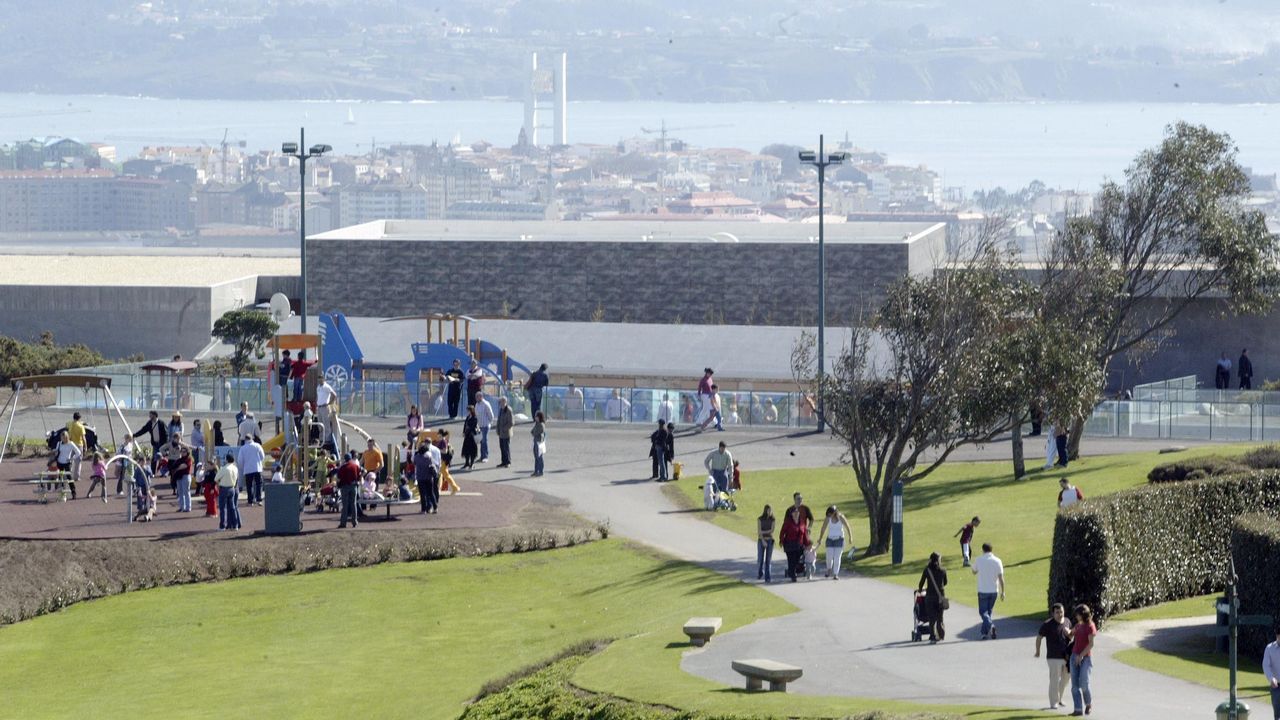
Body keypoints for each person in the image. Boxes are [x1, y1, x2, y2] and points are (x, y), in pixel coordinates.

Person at [1035, 603, 1073, 710]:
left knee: (1066, 679)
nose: (1060, 614)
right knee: (1054, 680)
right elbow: (1039, 637)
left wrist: (1069, 633)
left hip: (1066, 656)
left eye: (1061, 611)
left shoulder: (1067, 621)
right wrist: (1038, 651)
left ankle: (1060, 698)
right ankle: (1053, 702)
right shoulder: (1047, 624)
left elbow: (1071, 637)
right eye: (1057, 612)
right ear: (1053, 613)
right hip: (1053, 657)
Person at [1066, 604, 1097, 716]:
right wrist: (1067, 631)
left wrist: (1081, 656)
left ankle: (1088, 703)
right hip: (1074, 655)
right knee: (1074, 685)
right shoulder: (1078, 625)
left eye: (1078, 614)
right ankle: (1078, 709)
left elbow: (1091, 644)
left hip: (1086, 658)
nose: (1076, 616)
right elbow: (1071, 633)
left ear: (1083, 614)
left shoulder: (1090, 626)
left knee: (1084, 683)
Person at [971, 543, 1006, 639]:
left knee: (983, 612)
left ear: (983, 550)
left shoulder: (979, 559)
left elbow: (973, 571)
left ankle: (991, 626)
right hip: (994, 590)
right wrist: (1003, 592)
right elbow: (1001, 578)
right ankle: (984, 633)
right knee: (988, 612)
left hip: (983, 590)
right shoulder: (997, 561)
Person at [916, 552, 948, 643]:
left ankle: (932, 636)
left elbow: (921, 582)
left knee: (931, 618)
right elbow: (945, 582)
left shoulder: (927, 570)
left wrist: (920, 589)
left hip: (930, 596)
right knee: (940, 617)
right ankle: (940, 634)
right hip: (940, 596)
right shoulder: (943, 570)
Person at [817, 505, 853, 579]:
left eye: (831, 514)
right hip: (830, 539)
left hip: (839, 539)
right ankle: (829, 569)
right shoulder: (828, 519)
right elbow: (823, 528)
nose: (830, 516)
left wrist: (850, 537)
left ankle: (835, 574)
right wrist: (820, 538)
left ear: (835, 512)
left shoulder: (841, 517)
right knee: (829, 557)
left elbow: (847, 526)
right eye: (829, 514)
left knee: (837, 557)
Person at [779, 506, 808, 582]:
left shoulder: (802, 522)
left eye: (797, 512)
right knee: (791, 560)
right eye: (794, 512)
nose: (796, 514)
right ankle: (793, 575)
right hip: (790, 544)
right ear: (791, 514)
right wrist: (781, 541)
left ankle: (792, 571)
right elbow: (782, 532)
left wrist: (807, 544)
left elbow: (804, 534)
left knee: (797, 560)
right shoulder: (788, 522)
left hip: (799, 545)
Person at [335, 452, 362, 528]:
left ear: (345, 459)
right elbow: (359, 475)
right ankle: (354, 521)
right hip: (354, 486)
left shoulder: (342, 467)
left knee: (345, 505)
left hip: (345, 487)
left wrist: (338, 485)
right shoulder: (356, 466)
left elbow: (338, 478)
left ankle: (343, 523)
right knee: (353, 504)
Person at [237, 435, 266, 506]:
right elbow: (262, 456)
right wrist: (259, 462)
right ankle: (259, 499)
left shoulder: (243, 448)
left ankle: (250, 501)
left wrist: (242, 467)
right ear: (252, 438)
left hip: (248, 469)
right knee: (258, 484)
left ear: (245, 439)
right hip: (257, 468)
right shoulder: (257, 445)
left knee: (249, 485)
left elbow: (240, 460)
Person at [216, 453, 240, 530]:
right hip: (232, 488)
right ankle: (235, 525)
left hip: (224, 488)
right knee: (232, 507)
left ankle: (222, 525)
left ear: (226, 459)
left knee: (222, 508)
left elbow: (216, 478)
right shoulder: (235, 468)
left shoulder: (224, 468)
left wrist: (219, 483)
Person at [413, 444, 440, 513]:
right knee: (431, 493)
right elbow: (432, 464)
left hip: (420, 477)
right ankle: (435, 507)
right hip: (428, 477)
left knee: (422, 494)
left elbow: (414, 463)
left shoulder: (416, 457)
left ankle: (423, 509)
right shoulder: (428, 457)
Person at [1262, 626, 1280, 720]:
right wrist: (1271, 678)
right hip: (1276, 686)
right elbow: (1266, 665)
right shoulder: (1269, 648)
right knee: (1278, 715)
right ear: (1277, 635)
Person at [65, 411, 87, 487]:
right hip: (79, 444)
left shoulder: (70, 424)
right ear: (79, 418)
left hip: (71, 444)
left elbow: (66, 424)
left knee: (69, 460)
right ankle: (76, 477)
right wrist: (85, 447)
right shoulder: (81, 426)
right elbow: (83, 438)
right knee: (78, 462)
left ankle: (67, 475)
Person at [171, 447, 193, 512]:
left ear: (187, 452)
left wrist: (177, 468)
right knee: (180, 493)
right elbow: (173, 466)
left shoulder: (189, 459)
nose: (183, 453)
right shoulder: (179, 460)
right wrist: (177, 467)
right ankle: (182, 507)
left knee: (186, 492)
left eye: (184, 452)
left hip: (186, 476)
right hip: (179, 477)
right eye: (182, 452)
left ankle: (188, 507)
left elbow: (184, 466)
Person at [757, 505, 775, 583]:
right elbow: (759, 532)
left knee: (768, 560)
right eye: (768, 510)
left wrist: (763, 532)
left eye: (770, 510)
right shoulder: (760, 519)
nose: (769, 512)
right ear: (765, 510)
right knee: (760, 559)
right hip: (761, 540)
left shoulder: (773, 519)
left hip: (770, 540)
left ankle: (768, 577)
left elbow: (772, 530)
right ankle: (760, 572)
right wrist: (763, 540)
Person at [475, 391, 494, 462]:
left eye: (477, 397)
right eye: (476, 397)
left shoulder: (486, 404)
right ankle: (482, 456)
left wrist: (490, 422)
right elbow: (476, 415)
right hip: (480, 426)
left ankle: (485, 456)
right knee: (481, 441)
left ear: (481, 397)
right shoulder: (477, 404)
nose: (476, 398)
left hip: (485, 425)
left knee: (484, 441)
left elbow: (491, 414)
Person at [531, 411, 547, 476]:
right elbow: (532, 431)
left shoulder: (541, 424)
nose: (535, 418)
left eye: (536, 416)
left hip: (539, 442)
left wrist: (534, 433)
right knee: (536, 457)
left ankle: (540, 471)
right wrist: (534, 433)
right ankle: (536, 471)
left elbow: (539, 431)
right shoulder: (536, 423)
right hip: (535, 441)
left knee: (539, 457)